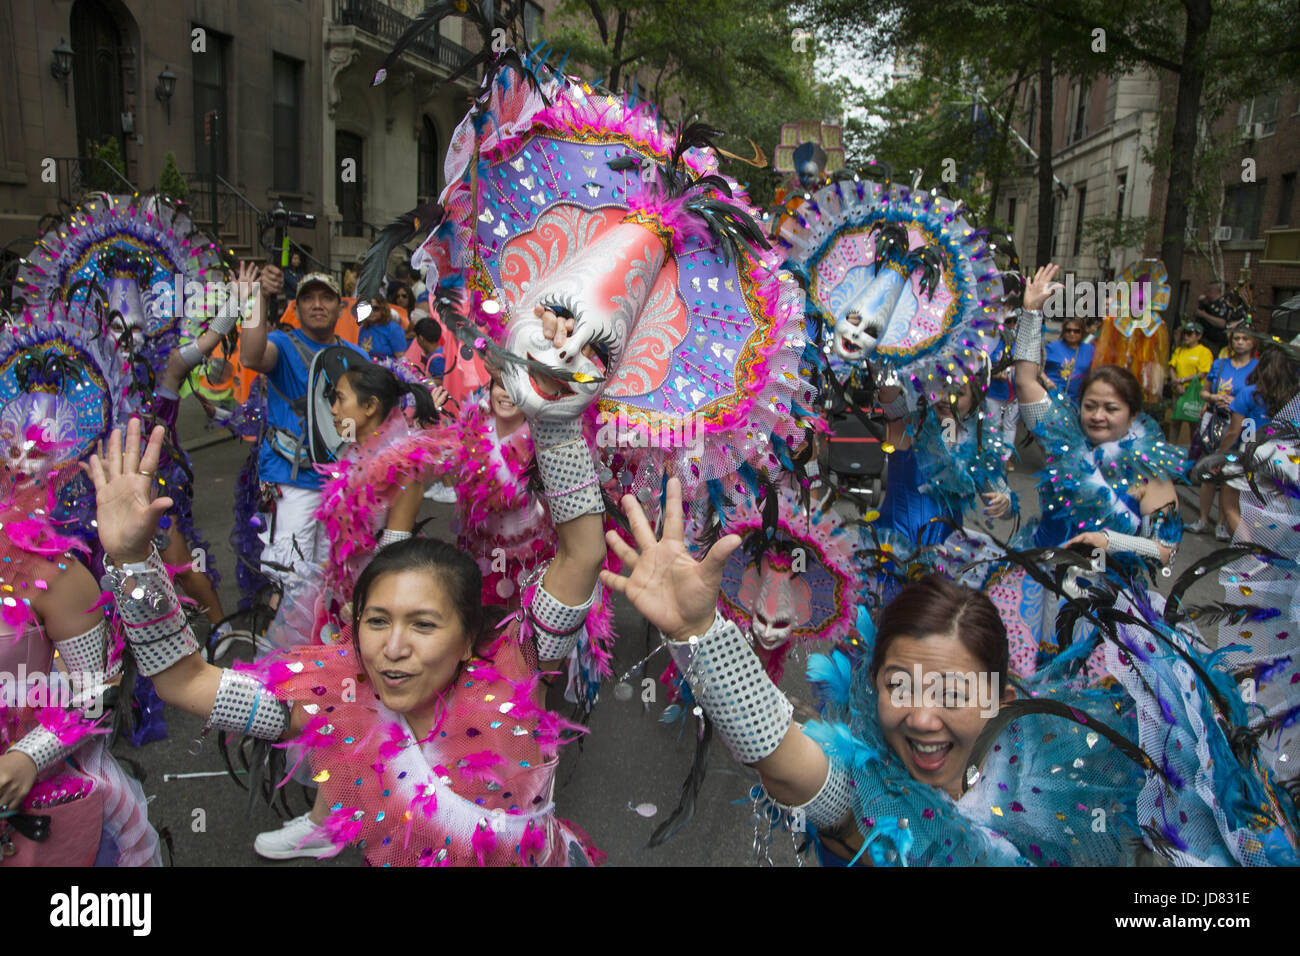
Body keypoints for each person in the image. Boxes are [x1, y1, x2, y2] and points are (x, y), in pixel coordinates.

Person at [90, 309, 610, 866]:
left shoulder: (516, 669)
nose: (392, 648)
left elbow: (581, 553)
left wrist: (555, 417)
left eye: (424, 624)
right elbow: (184, 680)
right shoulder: (338, 701)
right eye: (377, 620)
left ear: (468, 639)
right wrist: (130, 560)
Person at [600, 478, 1300, 866]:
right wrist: (701, 635)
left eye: (954, 692)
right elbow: (784, 757)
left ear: (1000, 696)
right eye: (900, 687)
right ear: (873, 690)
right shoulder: (864, 786)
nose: (924, 718)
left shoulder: (1070, 766)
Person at [252, 360, 447, 859]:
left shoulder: (401, 460)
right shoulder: (358, 451)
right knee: (346, 712)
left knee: (355, 712)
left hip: (372, 609)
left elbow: (396, 551)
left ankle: (342, 822)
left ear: (370, 407)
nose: (332, 407)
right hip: (342, 602)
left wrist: (369, 619)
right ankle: (340, 816)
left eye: (338, 398)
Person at [237, 264, 368, 596]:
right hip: (291, 477)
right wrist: (258, 298)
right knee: (290, 576)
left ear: (341, 307)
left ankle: (321, 644)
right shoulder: (281, 343)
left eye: (327, 297)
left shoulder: (356, 356)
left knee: (334, 576)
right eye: (308, 298)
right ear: (296, 308)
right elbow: (251, 356)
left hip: (340, 482)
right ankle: (285, 645)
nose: (318, 304)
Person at [1213, 345, 1300, 536]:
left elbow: (1234, 432)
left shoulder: (1250, 393)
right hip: (1286, 457)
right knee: (1271, 509)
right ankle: (1264, 547)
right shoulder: (1295, 397)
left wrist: (1219, 457)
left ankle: (1251, 552)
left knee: (1230, 505)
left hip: (1252, 450)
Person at [1190, 329, 1258, 538]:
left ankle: (1222, 523)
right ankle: (1202, 519)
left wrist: (1237, 402)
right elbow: (1203, 391)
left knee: (1231, 473)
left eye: (1245, 339)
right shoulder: (1220, 364)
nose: (1240, 343)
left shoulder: (1257, 367)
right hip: (1216, 421)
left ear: (1253, 343)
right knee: (1211, 469)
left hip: (1242, 425)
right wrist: (1213, 397)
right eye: (1236, 338)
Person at [1168, 321, 1213, 446]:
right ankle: (1171, 448)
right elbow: (1172, 366)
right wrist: (1177, 384)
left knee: (1194, 423)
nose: (1185, 336)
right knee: (1175, 422)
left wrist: (1182, 381)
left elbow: (1203, 373)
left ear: (1198, 336)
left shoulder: (1204, 352)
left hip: (1194, 393)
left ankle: (1193, 450)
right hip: (1178, 392)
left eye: (1189, 333)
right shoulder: (1179, 350)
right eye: (1184, 333)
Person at [1042, 316, 1094, 405]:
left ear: (1082, 332)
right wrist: (1047, 381)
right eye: (1068, 330)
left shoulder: (1091, 350)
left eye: (1076, 331)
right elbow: (1036, 367)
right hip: (1052, 399)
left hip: (1077, 402)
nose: (1072, 333)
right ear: (1063, 331)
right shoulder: (1052, 348)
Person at [357, 295, 407, 360]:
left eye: (375, 308)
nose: (371, 312)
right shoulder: (363, 328)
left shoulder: (393, 329)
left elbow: (401, 359)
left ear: (383, 309)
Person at [1195, 279, 1232, 354]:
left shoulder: (1222, 304)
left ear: (1213, 292)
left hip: (1214, 342)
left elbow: (1222, 323)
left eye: (1208, 291)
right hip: (1203, 339)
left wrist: (1204, 315)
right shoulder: (1208, 303)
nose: (1206, 293)